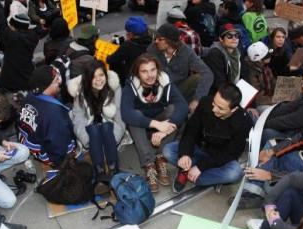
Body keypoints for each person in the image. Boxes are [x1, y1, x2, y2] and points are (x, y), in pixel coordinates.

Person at [162, 83, 251, 193]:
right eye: (214, 103)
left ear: (233, 109)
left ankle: (189, 172)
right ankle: (198, 173)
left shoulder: (243, 122)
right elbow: (191, 130)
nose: (214, 109)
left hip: (219, 156)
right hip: (198, 148)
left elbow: (230, 153)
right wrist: (185, 154)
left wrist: (200, 167)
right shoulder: (205, 102)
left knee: (234, 173)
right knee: (168, 150)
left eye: (220, 108)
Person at [121, 54, 189, 192]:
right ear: (137, 73)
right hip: (143, 127)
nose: (150, 75)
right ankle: (149, 164)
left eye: (153, 70)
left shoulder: (164, 81)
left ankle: (160, 156)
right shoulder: (131, 85)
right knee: (134, 115)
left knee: (174, 110)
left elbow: (183, 105)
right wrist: (156, 125)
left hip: (161, 126)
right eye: (144, 71)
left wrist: (165, 129)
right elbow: (126, 113)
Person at [69, 60, 124, 177]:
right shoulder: (81, 92)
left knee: (106, 127)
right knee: (94, 130)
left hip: (110, 128)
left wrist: (115, 137)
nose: (98, 79)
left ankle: (114, 170)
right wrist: (86, 139)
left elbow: (119, 115)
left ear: (106, 75)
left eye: (101, 75)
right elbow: (78, 118)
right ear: (87, 79)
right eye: (93, 77)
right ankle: (100, 172)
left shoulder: (115, 88)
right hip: (90, 128)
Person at [147, 23, 214, 115]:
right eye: (155, 38)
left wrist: (197, 99)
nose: (156, 41)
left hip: (178, 88)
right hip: (158, 89)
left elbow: (208, 73)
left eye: (160, 39)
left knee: (198, 77)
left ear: (171, 41)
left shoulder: (186, 52)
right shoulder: (152, 49)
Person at [19, 65, 76, 167]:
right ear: (45, 87)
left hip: (30, 142)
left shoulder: (30, 96)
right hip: (48, 155)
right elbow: (58, 146)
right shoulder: (54, 112)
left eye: (58, 77)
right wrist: (63, 161)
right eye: (55, 80)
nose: (59, 81)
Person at [0, 1, 39, 95]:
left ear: (15, 27)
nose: (9, 27)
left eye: (10, 25)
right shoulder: (33, 38)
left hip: (11, 81)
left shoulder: (13, 38)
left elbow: (1, 23)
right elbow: (13, 49)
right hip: (26, 78)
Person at [204, 23, 248, 97]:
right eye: (229, 36)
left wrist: (252, 104)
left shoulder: (237, 53)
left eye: (237, 36)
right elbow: (219, 83)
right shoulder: (215, 54)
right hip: (218, 96)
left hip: (233, 93)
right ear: (221, 39)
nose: (234, 38)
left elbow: (245, 78)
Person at [106, 16, 152, 86]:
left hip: (131, 76)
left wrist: (108, 57)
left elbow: (111, 60)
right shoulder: (152, 40)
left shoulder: (129, 45)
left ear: (131, 33)